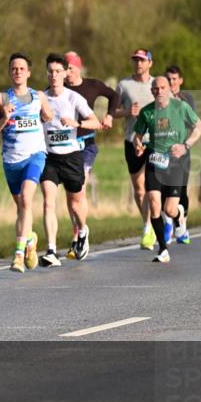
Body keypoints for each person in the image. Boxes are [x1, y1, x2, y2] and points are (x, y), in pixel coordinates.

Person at [0, 53, 54, 273]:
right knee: (23, 208)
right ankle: (30, 241)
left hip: (35, 155)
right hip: (11, 160)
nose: (18, 72)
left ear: (29, 73)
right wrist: (4, 118)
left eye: (22, 69)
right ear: (9, 72)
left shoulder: (39, 96)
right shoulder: (1, 99)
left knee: (26, 199)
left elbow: (48, 116)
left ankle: (17, 255)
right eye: (14, 69)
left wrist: (45, 116)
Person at [132, 75, 201, 263]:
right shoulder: (147, 112)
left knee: (170, 210)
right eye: (156, 89)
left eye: (163, 87)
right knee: (154, 204)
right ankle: (163, 249)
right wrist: (138, 145)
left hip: (175, 163)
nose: (160, 91)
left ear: (169, 89)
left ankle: (179, 216)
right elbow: (137, 136)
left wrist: (185, 146)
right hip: (155, 161)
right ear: (152, 91)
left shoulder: (181, 107)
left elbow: (199, 127)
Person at [39, 53, 101, 266]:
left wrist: (77, 124)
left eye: (58, 71)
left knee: (75, 204)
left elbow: (96, 123)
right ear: (46, 73)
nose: (54, 75)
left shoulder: (73, 98)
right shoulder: (41, 98)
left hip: (72, 156)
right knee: (48, 201)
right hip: (49, 158)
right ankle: (51, 251)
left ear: (65, 73)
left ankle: (82, 229)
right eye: (50, 71)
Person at [64, 50, 119, 258]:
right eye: (64, 68)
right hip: (64, 147)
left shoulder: (92, 85)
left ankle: (81, 233)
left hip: (86, 144)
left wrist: (110, 116)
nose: (67, 73)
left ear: (78, 67)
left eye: (70, 68)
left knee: (80, 186)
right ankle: (77, 232)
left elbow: (114, 96)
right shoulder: (57, 90)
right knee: (71, 196)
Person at [115, 49, 156, 250]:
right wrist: (126, 112)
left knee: (152, 186)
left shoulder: (157, 84)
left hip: (155, 141)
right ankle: (147, 224)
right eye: (136, 60)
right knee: (139, 190)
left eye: (142, 60)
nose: (138, 64)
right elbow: (112, 112)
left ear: (150, 63)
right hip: (132, 140)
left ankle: (151, 225)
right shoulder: (124, 85)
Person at [165, 65, 196, 244]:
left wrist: (185, 144)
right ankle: (168, 221)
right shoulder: (160, 99)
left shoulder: (187, 99)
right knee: (162, 188)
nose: (171, 82)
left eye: (174, 79)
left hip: (182, 152)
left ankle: (181, 223)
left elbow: (193, 123)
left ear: (180, 81)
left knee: (182, 190)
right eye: (168, 79)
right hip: (164, 153)